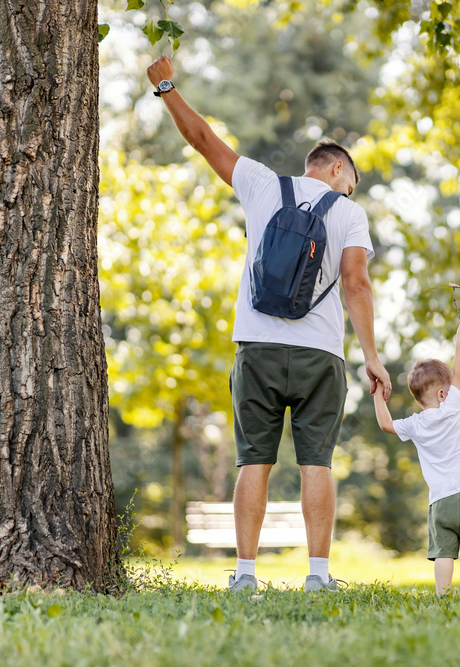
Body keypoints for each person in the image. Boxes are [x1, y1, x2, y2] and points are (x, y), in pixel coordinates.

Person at [146, 56, 391, 592]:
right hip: (319, 354)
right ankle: (318, 575)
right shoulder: (349, 213)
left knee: (253, 461)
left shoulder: (260, 184)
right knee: (316, 463)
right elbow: (356, 285)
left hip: (256, 347)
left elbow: (202, 140)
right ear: (336, 169)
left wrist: (166, 86)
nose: (349, 193)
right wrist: (372, 358)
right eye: (350, 183)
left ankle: (246, 575)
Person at [373, 322, 460, 599]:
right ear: (443, 394)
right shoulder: (452, 407)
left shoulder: (415, 425)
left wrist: (379, 393)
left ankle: (443, 596)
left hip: (441, 501)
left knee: (443, 552)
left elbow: (386, 424)